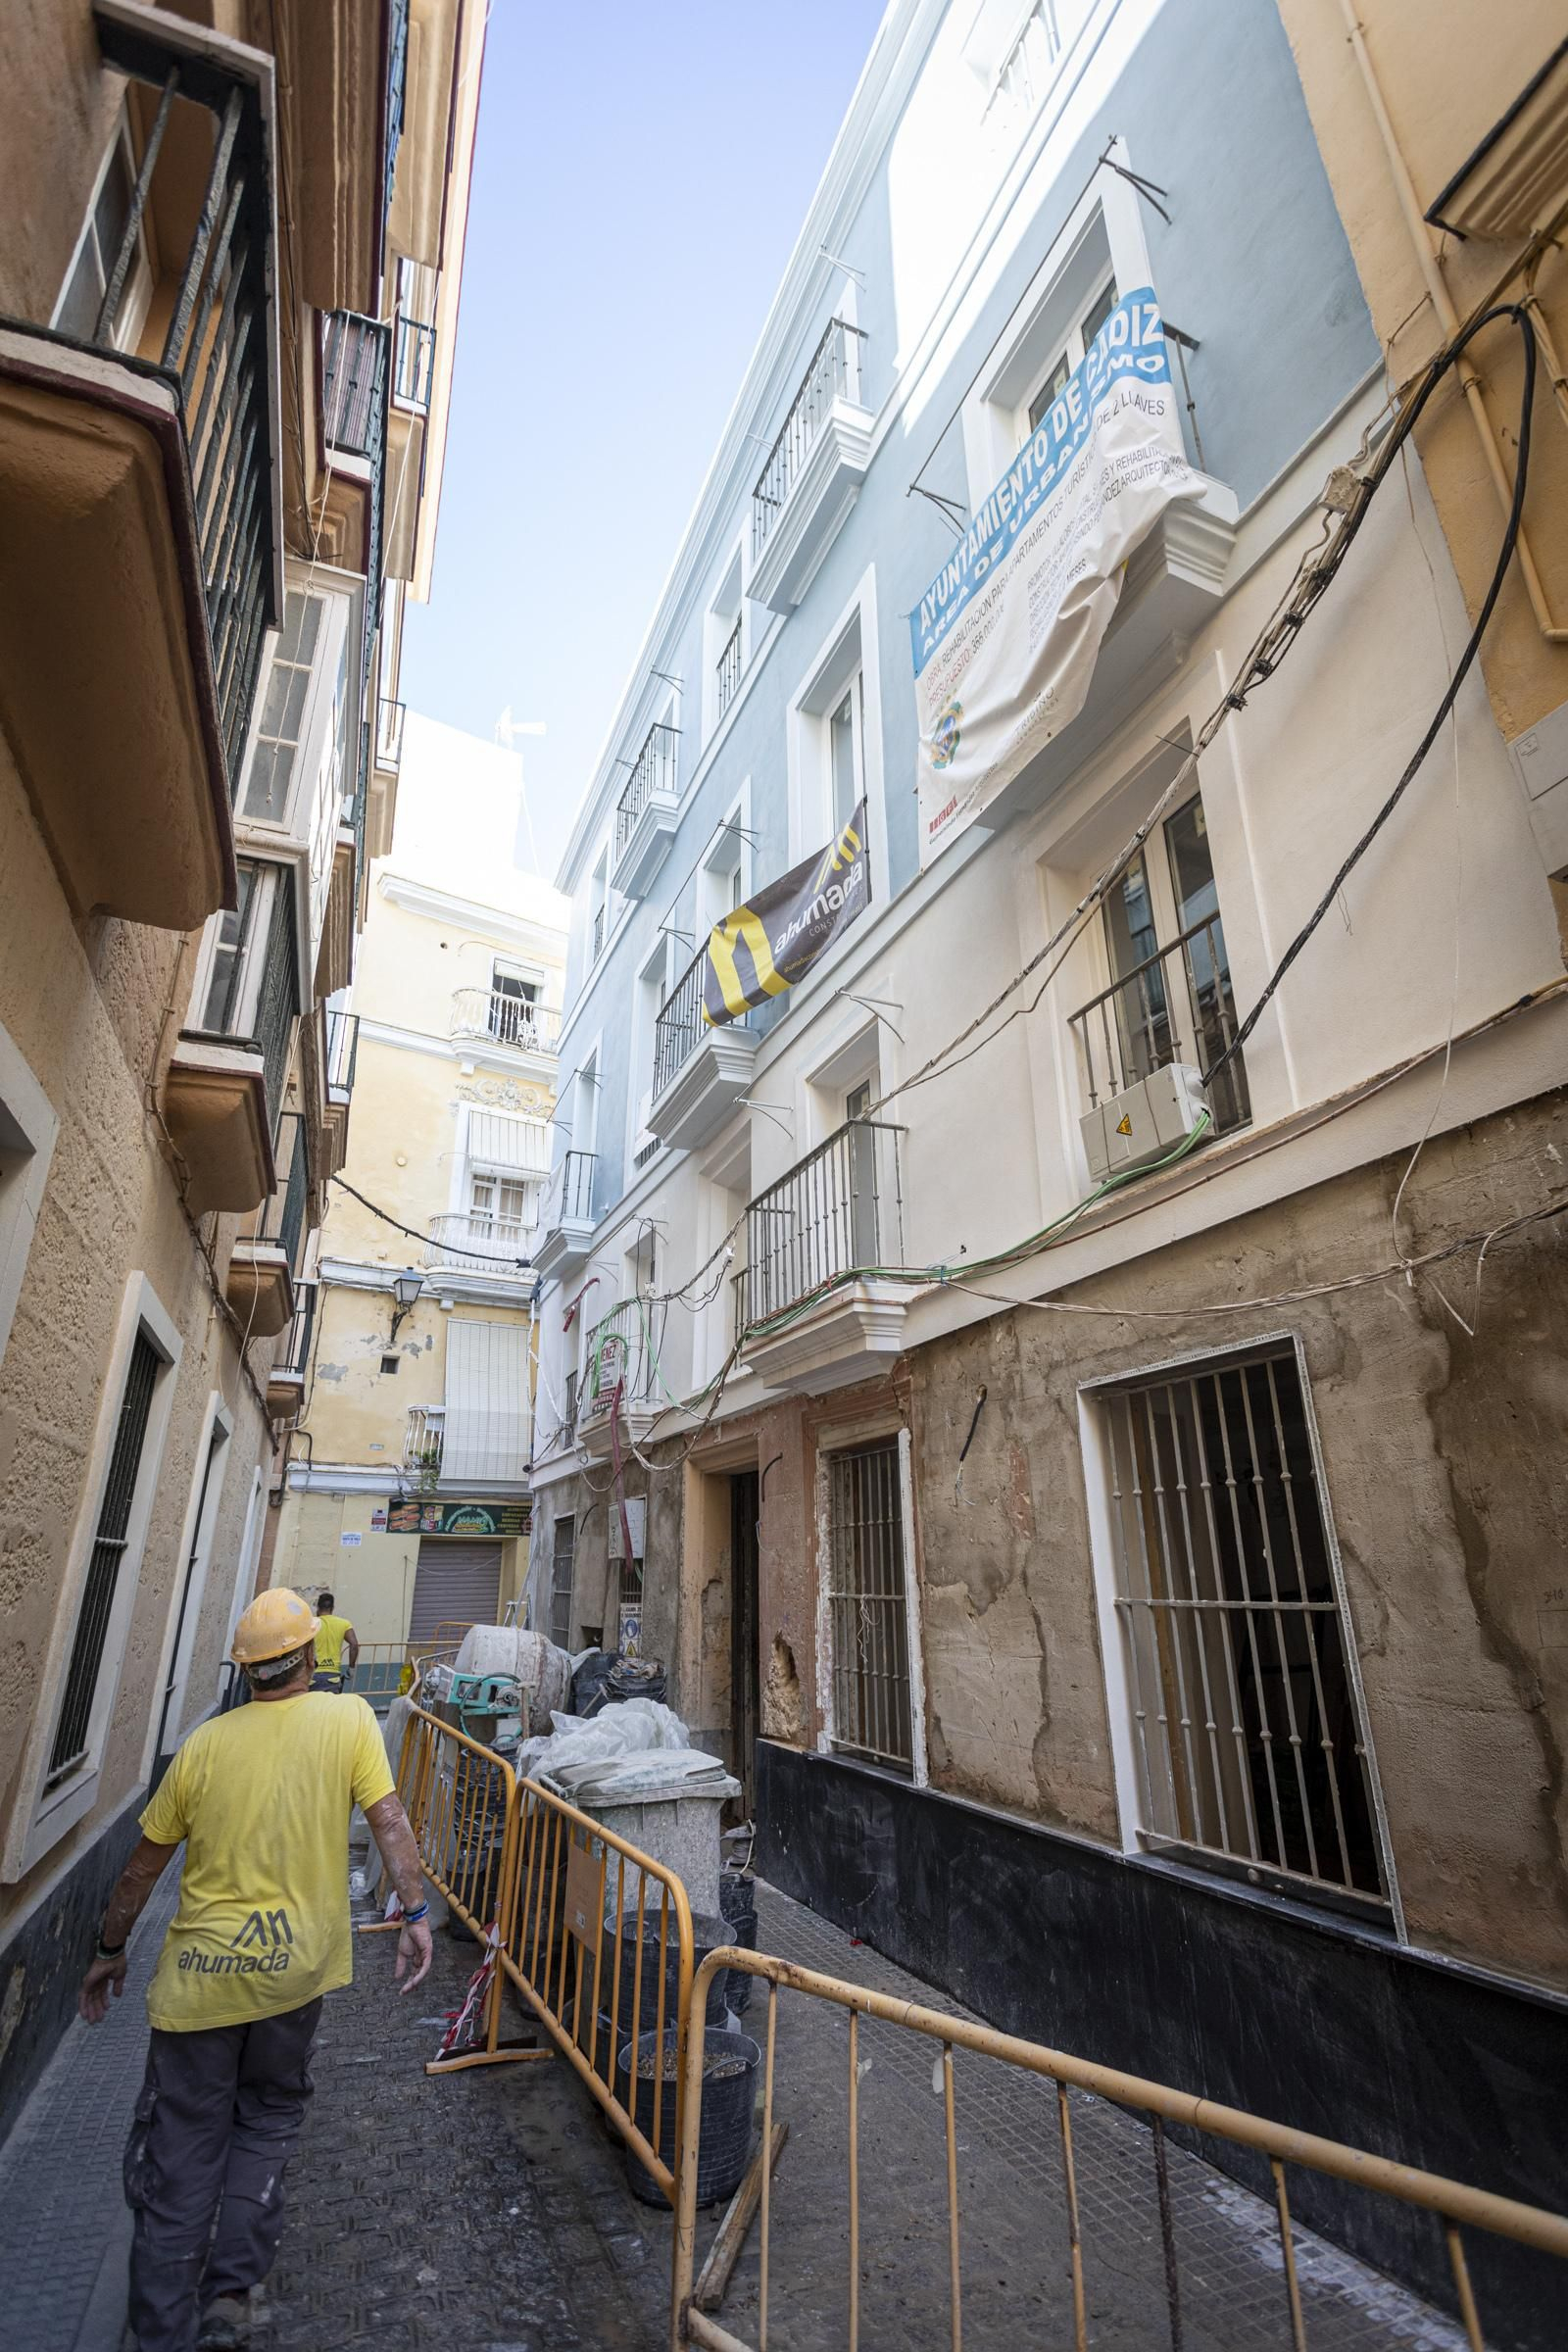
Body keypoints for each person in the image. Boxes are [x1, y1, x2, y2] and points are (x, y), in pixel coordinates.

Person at [77, 1588, 433, 2352]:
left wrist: (109, 1953)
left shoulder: (204, 1745)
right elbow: (391, 1820)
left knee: (183, 2147)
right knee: (266, 2122)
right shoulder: (347, 1721)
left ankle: (160, 2327)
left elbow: (141, 1869)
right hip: (293, 1977)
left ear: (245, 1673)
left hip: (198, 1988)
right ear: (309, 1658)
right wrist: (414, 1914)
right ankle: (230, 2297)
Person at [310, 1591, 359, 1692]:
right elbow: (354, 1644)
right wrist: (351, 1668)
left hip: (312, 1675)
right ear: (332, 1608)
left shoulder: (310, 1623)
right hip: (332, 1676)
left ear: (318, 1607)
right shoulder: (344, 1624)